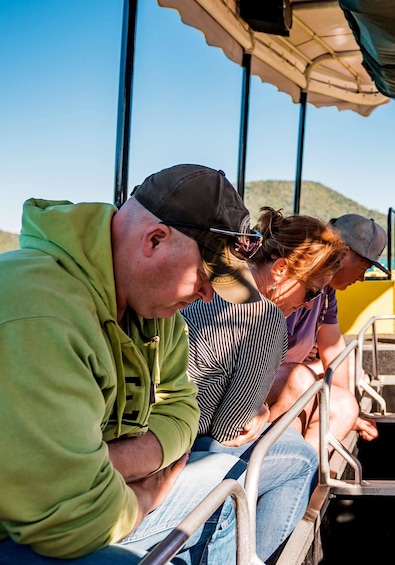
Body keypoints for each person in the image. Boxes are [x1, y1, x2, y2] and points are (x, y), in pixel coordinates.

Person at [0, 164, 260, 563]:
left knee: (234, 475)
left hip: (97, 498)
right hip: (30, 530)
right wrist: (151, 491)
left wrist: (114, 463)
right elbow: (70, 520)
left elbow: (183, 410)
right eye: (206, 275)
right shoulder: (39, 312)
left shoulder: (158, 314)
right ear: (155, 239)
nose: (209, 297)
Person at [182, 211, 347, 560]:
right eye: (313, 290)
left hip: (160, 428)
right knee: (301, 460)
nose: (309, 303)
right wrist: (262, 411)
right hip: (185, 447)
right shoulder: (263, 317)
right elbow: (232, 429)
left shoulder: (215, 277)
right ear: (281, 270)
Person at [269, 213, 390, 447]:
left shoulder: (327, 294)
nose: (363, 279)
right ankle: (261, 468)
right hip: (260, 379)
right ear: (343, 253)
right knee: (300, 380)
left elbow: (334, 351)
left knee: (344, 406)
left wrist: (352, 411)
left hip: (289, 375)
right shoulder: (289, 281)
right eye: (363, 267)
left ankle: (306, 478)